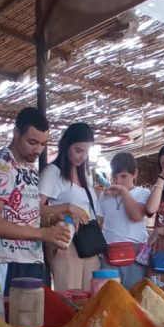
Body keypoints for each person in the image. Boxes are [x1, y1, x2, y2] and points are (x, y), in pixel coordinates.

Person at [0, 107, 73, 294]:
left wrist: (52, 223)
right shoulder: (1, 166)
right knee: (11, 320)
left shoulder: (29, 167)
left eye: (43, 144)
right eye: (32, 142)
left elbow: (26, 215)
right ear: (16, 133)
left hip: (33, 259)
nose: (38, 149)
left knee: (34, 320)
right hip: (9, 261)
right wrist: (43, 234)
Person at [39, 123, 100, 291]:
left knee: (90, 294)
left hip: (88, 241)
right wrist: (66, 208)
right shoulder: (53, 172)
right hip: (66, 239)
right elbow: (32, 210)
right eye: (78, 150)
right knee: (69, 294)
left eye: (86, 152)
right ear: (66, 145)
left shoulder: (85, 174)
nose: (82, 157)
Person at [97, 152, 150, 289]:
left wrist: (123, 192)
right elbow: (99, 224)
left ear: (135, 173)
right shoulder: (104, 196)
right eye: (115, 176)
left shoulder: (143, 193)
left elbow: (136, 215)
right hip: (109, 253)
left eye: (124, 176)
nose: (118, 181)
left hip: (135, 253)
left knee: (133, 297)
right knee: (108, 296)